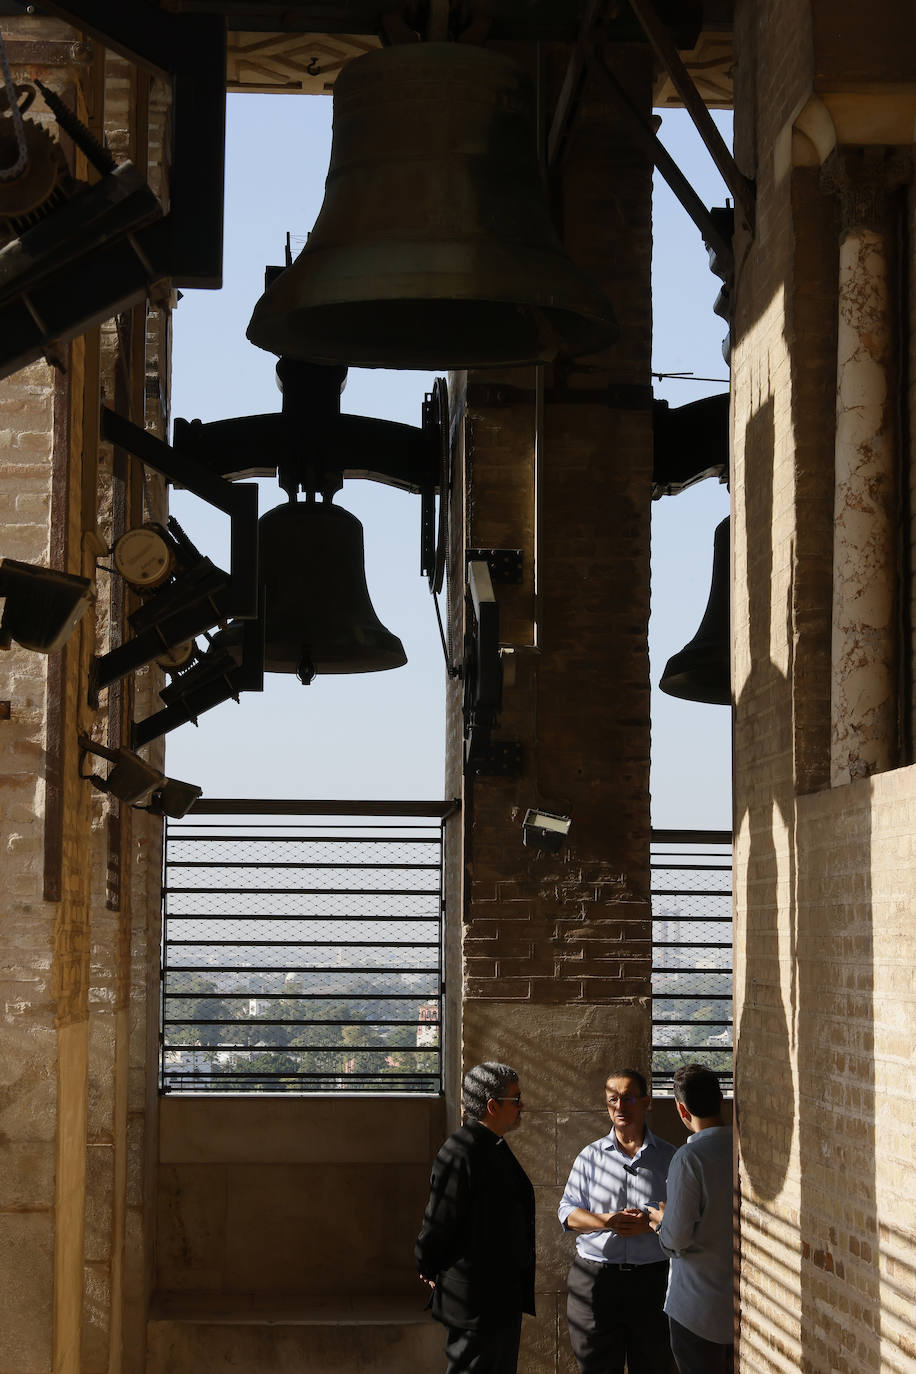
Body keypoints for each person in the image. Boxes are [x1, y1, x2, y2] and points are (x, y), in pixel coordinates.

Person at [415, 1061, 535, 1373]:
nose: (522, 1106)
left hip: (497, 1299)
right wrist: (428, 1264)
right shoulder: (461, 1151)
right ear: (493, 1106)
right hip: (476, 1303)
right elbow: (439, 1222)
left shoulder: (492, 1144)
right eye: (516, 1099)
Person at [558, 1067, 676, 1374]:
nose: (620, 1107)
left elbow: (685, 1220)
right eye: (613, 1099)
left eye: (628, 1098)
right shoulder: (590, 1157)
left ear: (646, 1101)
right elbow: (567, 1213)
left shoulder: (670, 1158)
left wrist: (651, 1221)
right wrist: (606, 1220)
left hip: (654, 1283)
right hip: (596, 1283)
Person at [647, 1064, 734, 1374]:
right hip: (737, 1305)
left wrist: (661, 1222)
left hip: (697, 1310)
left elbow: (676, 1239)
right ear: (721, 1099)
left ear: (681, 1109)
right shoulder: (740, 1147)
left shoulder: (690, 1158)